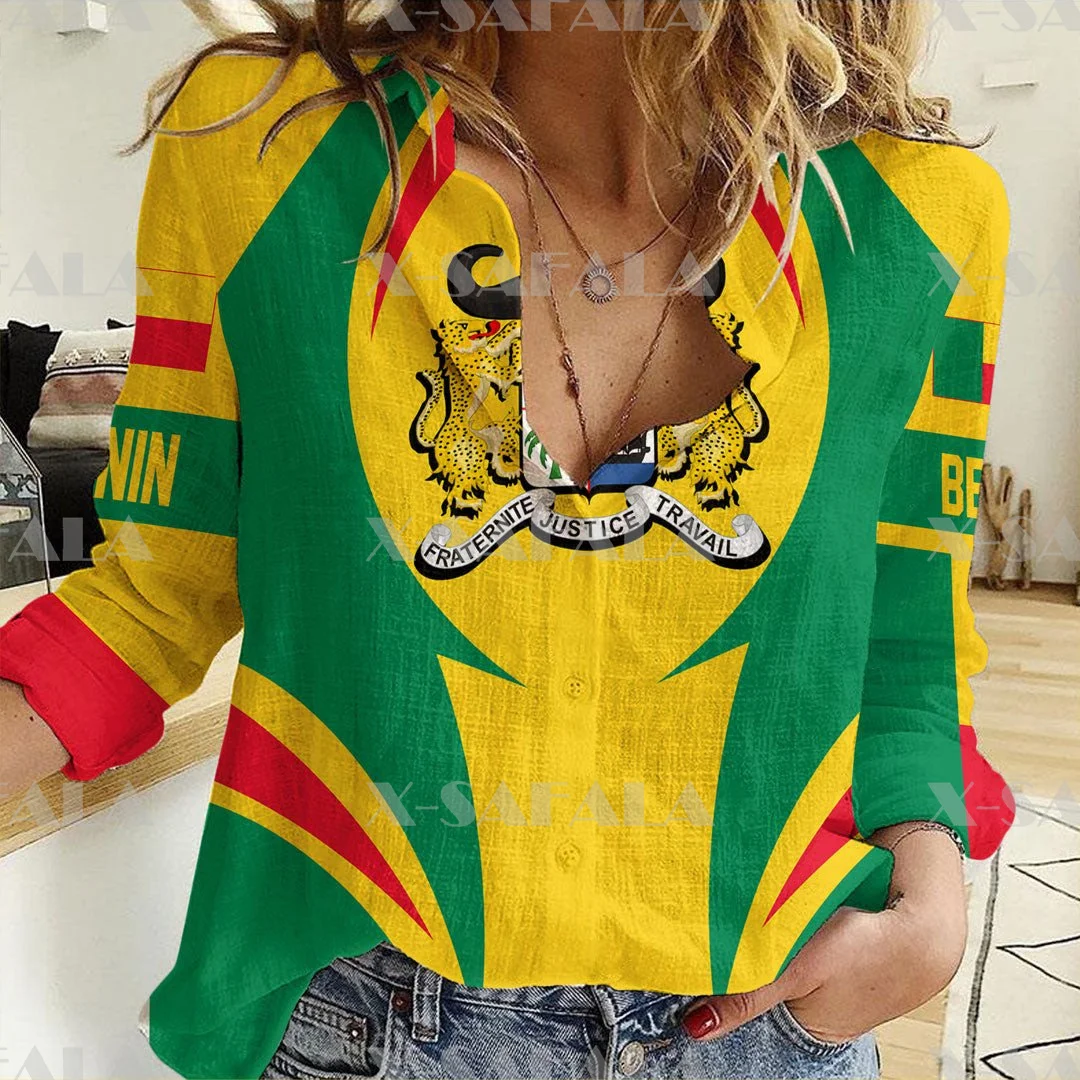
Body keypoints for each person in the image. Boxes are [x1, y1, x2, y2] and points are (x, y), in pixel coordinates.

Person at [0, 1, 1016, 1077]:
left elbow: (907, 641)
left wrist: (930, 909)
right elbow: (155, 594)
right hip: (372, 1022)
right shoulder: (258, 146)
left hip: (774, 1018)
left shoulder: (928, 212)